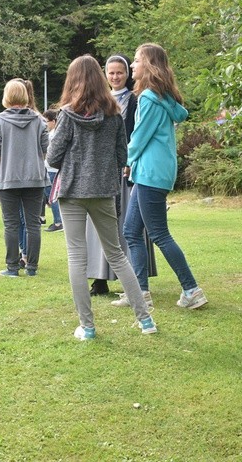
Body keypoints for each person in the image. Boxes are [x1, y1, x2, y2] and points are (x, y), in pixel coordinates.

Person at [47, 54, 156, 340]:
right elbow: (123, 155)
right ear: (100, 77)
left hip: (72, 192)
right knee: (118, 255)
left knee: (76, 257)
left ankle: (88, 326)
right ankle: (145, 320)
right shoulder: (115, 114)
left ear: (73, 80)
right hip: (105, 191)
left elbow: (52, 156)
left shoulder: (67, 115)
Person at [124, 43, 207, 309]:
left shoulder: (148, 98)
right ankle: (140, 293)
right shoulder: (162, 99)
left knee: (159, 234)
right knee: (131, 231)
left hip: (150, 173)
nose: (132, 65)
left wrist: (125, 160)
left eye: (137, 60)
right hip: (153, 172)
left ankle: (192, 290)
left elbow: (140, 136)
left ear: (148, 65)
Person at [85, 54, 157, 299]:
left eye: (120, 72)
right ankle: (99, 277)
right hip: (102, 171)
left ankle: (135, 280)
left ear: (127, 74)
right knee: (100, 224)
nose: (115, 77)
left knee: (127, 225)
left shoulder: (137, 100)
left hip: (126, 170)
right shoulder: (97, 100)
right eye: (111, 73)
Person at [0, 79, 48, 277]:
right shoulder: (39, 120)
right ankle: (32, 267)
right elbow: (46, 151)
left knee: (11, 224)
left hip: (8, 178)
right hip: (35, 178)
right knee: (33, 224)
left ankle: (12, 267)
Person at [42, 109, 63, 233]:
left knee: (52, 196)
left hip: (51, 169)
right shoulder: (54, 133)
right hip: (52, 168)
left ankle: (58, 222)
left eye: (47, 122)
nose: (45, 125)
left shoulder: (52, 135)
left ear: (54, 121)